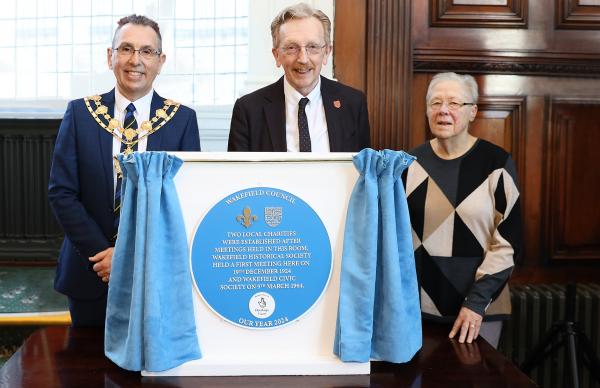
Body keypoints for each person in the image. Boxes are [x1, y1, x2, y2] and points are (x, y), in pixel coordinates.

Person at [48, 15, 201, 327]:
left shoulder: (182, 120)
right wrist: (105, 255)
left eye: (147, 51)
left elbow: (183, 201)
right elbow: (62, 193)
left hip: (154, 271)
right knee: (86, 371)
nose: (136, 60)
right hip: (91, 269)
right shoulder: (81, 114)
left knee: (148, 372)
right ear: (110, 56)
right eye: (126, 49)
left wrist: (131, 256)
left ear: (161, 61)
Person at [402, 72, 522, 348]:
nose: (443, 110)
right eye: (435, 103)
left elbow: (509, 243)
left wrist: (476, 303)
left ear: (473, 112)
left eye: (454, 103)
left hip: (479, 310)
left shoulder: (496, 163)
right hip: (418, 311)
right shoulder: (409, 164)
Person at [228, 2, 370, 152]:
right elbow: (239, 174)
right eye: (291, 48)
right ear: (277, 55)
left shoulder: (353, 104)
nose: (303, 59)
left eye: (313, 47)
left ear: (327, 52)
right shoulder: (247, 110)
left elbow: (362, 171)